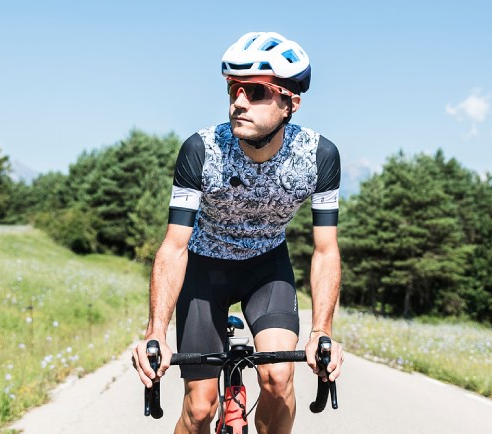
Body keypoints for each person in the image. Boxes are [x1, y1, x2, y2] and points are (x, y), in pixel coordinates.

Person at [132, 31, 344, 434]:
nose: (239, 101)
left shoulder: (320, 157)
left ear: (291, 103)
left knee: (278, 379)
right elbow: (174, 246)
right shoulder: (201, 150)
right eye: (233, 88)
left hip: (267, 269)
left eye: (256, 91)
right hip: (204, 269)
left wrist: (322, 330)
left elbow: (326, 250)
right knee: (199, 409)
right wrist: (155, 331)